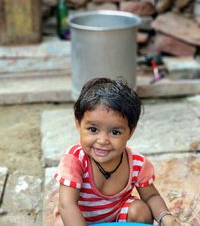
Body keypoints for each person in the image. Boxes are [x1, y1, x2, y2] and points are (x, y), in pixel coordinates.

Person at [54, 77, 180, 226]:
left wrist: (165, 216)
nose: (102, 140)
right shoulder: (75, 159)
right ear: (78, 124)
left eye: (115, 132)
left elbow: (151, 196)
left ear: (130, 132)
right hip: (79, 218)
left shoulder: (137, 164)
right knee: (61, 223)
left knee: (140, 210)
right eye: (93, 129)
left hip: (118, 217)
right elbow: (67, 205)